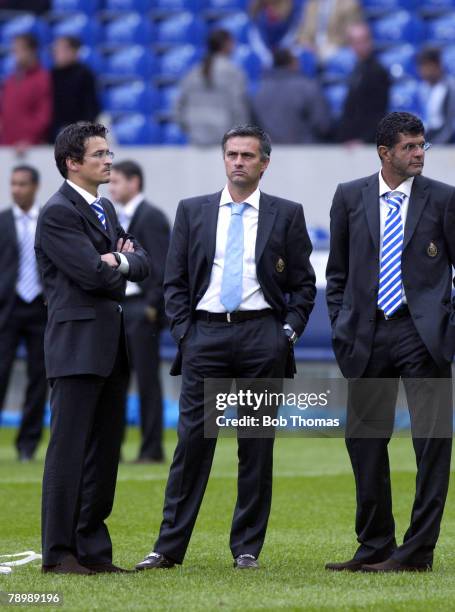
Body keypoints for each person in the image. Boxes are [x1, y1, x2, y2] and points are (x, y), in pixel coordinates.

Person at [135, 124, 316, 571]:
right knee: (192, 444)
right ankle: (168, 548)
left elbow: (304, 286)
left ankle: (247, 549)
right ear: (224, 159)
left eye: (248, 156)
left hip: (262, 338)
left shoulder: (287, 213)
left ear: (264, 163)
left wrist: (286, 335)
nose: (238, 162)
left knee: (255, 446)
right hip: (205, 337)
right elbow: (173, 282)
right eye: (232, 154)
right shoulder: (192, 211)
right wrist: (185, 334)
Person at [325, 112, 455, 573]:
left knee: (432, 444)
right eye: (410, 147)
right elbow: (336, 272)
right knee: (363, 440)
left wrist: (447, 328)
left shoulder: (443, 199)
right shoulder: (349, 197)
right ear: (385, 152)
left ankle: (417, 551)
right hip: (367, 333)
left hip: (424, 338)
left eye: (423, 146)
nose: (419, 154)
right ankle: (375, 544)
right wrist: (343, 324)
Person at [35, 122, 149, 575]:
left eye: (109, 152)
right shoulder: (59, 212)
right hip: (77, 347)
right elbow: (92, 275)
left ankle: (94, 551)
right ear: (73, 163)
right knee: (69, 452)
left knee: (104, 453)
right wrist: (117, 263)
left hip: (109, 345)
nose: (109, 160)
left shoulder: (103, 208)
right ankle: (60, 553)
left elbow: (141, 264)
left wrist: (119, 258)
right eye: (99, 154)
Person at [109, 161, 170, 464]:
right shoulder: (116, 217)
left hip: (139, 309)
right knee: (114, 381)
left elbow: (162, 267)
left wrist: (151, 307)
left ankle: (151, 448)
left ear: (134, 182)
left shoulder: (152, 217)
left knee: (147, 381)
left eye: (117, 181)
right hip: (118, 309)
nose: (111, 187)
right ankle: (112, 449)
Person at [0, 166, 47, 462]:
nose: (16, 189)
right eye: (13, 184)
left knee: (38, 378)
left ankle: (27, 445)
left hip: (41, 307)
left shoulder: (48, 220)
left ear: (35, 186)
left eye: (22, 184)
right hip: (8, 308)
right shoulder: (2, 221)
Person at [175, 29, 249, 146]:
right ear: (227, 44)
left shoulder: (192, 72)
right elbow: (238, 108)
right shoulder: (234, 72)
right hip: (224, 138)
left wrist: (190, 127)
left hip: (196, 137)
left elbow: (178, 107)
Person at [252, 48, 331, 143]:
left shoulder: (259, 89)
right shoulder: (307, 87)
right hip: (304, 152)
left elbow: (252, 125)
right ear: (293, 62)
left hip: (271, 151)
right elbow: (322, 124)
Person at [337, 22, 390, 144]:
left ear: (370, 41)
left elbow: (379, 112)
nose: (360, 46)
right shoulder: (357, 69)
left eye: (363, 41)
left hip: (366, 143)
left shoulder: (377, 72)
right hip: (350, 142)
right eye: (355, 42)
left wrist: (364, 140)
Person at [0, 34, 52, 146]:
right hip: (7, 145)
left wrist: (29, 139)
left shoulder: (43, 78)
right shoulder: (11, 79)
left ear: (31, 51)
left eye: (19, 50)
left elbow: (43, 114)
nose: (15, 55)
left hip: (29, 147)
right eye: (14, 51)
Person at [50, 36, 100, 142]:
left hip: (79, 133)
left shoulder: (85, 74)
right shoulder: (52, 75)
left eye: (60, 49)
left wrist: (82, 130)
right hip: (54, 133)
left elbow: (91, 106)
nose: (55, 53)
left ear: (73, 51)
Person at [296, 0, 362, 61]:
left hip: (336, 47)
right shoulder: (311, 4)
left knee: (346, 58)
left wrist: (330, 46)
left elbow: (351, 34)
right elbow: (303, 31)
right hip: (312, 47)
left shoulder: (349, 3)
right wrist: (307, 44)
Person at [417, 47, 455, 145]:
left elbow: (449, 126)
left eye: (427, 66)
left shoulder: (449, 88)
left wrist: (432, 146)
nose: (423, 71)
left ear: (437, 66)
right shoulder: (422, 88)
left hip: (442, 141)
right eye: (421, 66)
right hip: (425, 136)